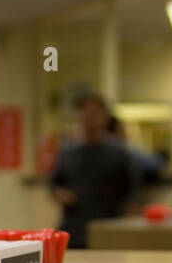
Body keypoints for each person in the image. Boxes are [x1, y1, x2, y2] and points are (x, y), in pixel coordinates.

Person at [50, 93, 142, 249]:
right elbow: (53, 184)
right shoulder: (67, 152)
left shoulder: (119, 152)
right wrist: (60, 194)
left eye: (95, 113)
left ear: (104, 117)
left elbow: (133, 189)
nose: (89, 118)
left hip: (108, 229)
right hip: (74, 228)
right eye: (85, 112)